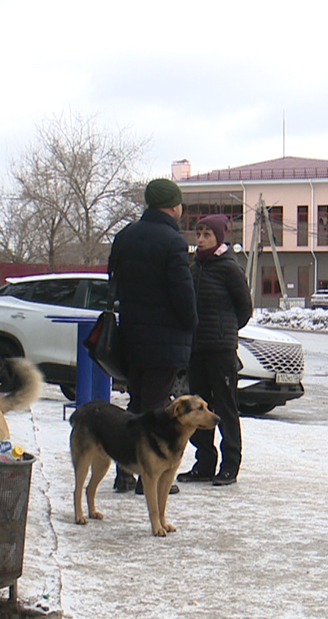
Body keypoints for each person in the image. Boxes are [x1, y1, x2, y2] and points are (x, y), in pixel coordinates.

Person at [108, 178, 198, 493]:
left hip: (130, 335)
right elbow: (183, 294)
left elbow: (114, 282)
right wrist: (191, 324)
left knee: (136, 402)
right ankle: (151, 476)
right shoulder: (173, 241)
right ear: (174, 206)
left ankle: (125, 471)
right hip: (165, 340)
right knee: (158, 406)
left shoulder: (125, 237)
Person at [177, 214, 252, 486]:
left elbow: (245, 309)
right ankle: (204, 463)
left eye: (207, 234)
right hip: (195, 349)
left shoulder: (229, 268)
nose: (200, 239)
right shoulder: (194, 266)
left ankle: (230, 465)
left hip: (220, 350)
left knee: (225, 407)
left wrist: (226, 331)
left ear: (218, 238)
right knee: (198, 407)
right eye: (198, 234)